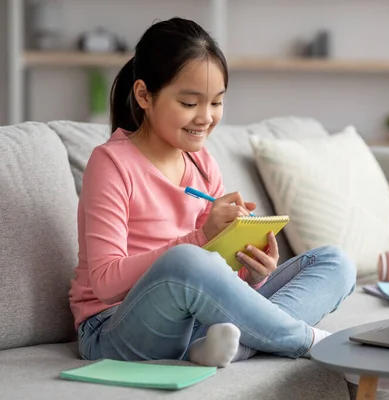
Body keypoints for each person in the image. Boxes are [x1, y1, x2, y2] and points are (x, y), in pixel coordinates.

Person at [68, 17, 356, 368]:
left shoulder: (203, 163)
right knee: (187, 261)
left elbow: (214, 282)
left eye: (216, 103)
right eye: (190, 103)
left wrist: (252, 273)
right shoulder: (111, 163)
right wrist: (201, 237)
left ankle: (224, 345)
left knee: (334, 262)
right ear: (144, 95)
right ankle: (305, 340)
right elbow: (105, 283)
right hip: (113, 328)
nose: (205, 117)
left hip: (195, 319)